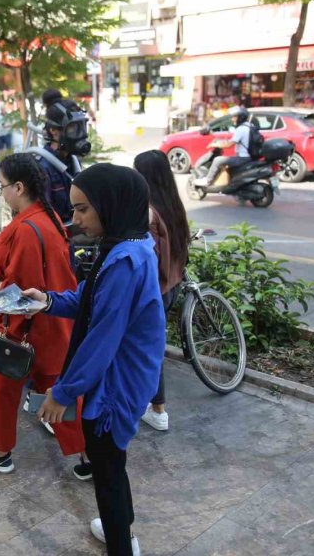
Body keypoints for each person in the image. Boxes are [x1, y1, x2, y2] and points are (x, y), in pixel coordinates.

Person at [28, 164, 165, 556]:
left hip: (116, 385)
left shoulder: (123, 261)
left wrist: (64, 392)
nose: (76, 219)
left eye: (84, 209)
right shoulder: (129, 245)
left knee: (106, 468)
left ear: (112, 204)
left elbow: (101, 339)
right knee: (112, 463)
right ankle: (120, 526)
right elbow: (88, 299)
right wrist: (47, 299)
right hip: (127, 376)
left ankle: (121, 543)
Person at [0, 152, 83, 474]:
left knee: (2, 387)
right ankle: (88, 457)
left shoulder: (26, 228)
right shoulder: (44, 218)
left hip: (29, 328)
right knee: (58, 394)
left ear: (18, 187)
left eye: (2, 186)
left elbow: (24, 292)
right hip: (57, 325)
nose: (2, 193)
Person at [133, 150, 190, 432]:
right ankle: (152, 405)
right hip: (172, 285)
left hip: (154, 291)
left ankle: (158, 411)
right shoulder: (172, 204)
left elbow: (144, 257)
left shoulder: (148, 211)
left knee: (149, 349)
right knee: (150, 346)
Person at [36, 98, 90, 222]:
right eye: (73, 128)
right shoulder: (42, 168)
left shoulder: (73, 161)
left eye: (82, 126)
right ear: (53, 130)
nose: (81, 134)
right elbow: (44, 219)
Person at [193, 106, 252, 187]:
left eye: (235, 117)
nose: (232, 119)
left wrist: (216, 144)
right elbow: (232, 140)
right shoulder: (250, 126)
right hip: (248, 157)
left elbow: (229, 145)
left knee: (218, 160)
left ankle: (208, 180)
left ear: (240, 118)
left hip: (243, 158)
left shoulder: (241, 129)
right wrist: (221, 141)